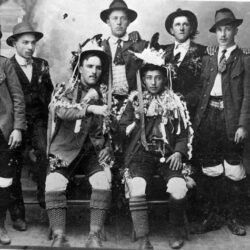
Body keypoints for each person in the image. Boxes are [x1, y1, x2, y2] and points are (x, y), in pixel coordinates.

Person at [118, 47, 193, 249]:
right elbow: (121, 131)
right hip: (140, 155)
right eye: (149, 78)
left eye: (158, 78)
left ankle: (175, 230)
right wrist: (134, 119)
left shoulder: (174, 101)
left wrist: (178, 151)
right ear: (142, 80)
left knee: (178, 188)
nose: (153, 82)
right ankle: (143, 237)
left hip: (168, 155)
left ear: (164, 79)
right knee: (138, 187)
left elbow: (183, 132)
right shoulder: (134, 101)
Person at [45, 38, 113, 248]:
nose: (94, 71)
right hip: (65, 149)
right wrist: (89, 108)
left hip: (93, 151)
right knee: (54, 183)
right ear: (80, 67)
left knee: (103, 181)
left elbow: (114, 127)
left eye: (98, 67)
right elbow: (61, 110)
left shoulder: (107, 95)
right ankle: (58, 234)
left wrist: (109, 147)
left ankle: (94, 234)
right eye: (89, 66)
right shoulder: (64, 89)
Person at [193, 8, 250, 236]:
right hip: (209, 118)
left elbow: (248, 94)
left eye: (228, 29)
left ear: (236, 30)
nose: (224, 34)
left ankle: (234, 217)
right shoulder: (208, 58)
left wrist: (242, 125)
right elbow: (201, 91)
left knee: (233, 168)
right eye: (219, 30)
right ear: (215, 32)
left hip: (231, 118)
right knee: (211, 168)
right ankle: (213, 216)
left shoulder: (244, 59)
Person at [6, 22, 54, 230]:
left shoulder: (41, 65)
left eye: (33, 43)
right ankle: (17, 214)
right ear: (14, 44)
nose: (29, 47)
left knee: (45, 154)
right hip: (16, 123)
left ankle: (44, 199)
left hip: (39, 122)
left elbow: (50, 94)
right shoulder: (7, 66)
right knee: (13, 167)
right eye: (24, 42)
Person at [0, 28, 26, 244]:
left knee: (4, 180)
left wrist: (17, 128)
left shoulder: (4, 64)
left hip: (3, 131)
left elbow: (18, 98)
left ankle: (0, 226)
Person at [100, 0, 147, 108]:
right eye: (115, 18)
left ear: (129, 21)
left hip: (134, 101)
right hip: (107, 101)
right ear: (108, 22)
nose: (119, 22)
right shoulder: (101, 46)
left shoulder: (140, 45)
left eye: (123, 18)